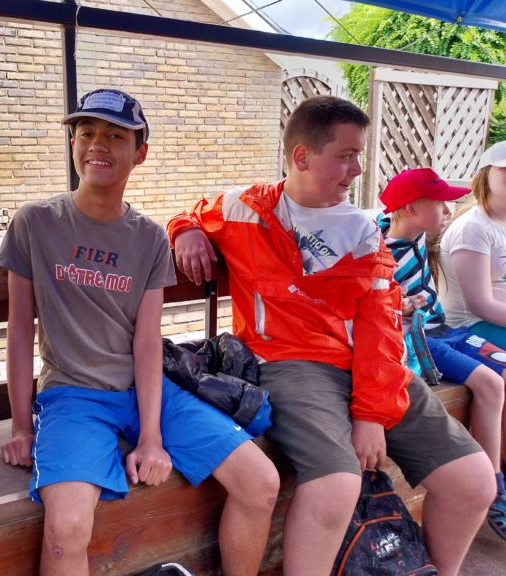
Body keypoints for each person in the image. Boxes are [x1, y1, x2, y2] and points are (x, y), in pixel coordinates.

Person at [168, 95, 495, 576]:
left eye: (358, 155)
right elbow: (195, 213)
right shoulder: (245, 208)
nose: (357, 170)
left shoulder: (362, 230)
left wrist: (370, 414)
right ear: (302, 157)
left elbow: (380, 326)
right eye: (346, 155)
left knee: (474, 480)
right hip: (286, 363)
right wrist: (185, 231)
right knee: (336, 484)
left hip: (367, 365)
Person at [0, 88, 279, 576]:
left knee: (261, 481)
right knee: (65, 531)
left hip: (144, 390)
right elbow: (19, 330)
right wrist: (21, 425)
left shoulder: (148, 237)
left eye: (115, 136)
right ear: (72, 144)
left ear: (139, 153)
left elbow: (147, 340)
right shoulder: (35, 223)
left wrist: (151, 437)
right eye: (86, 132)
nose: (97, 144)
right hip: (72, 396)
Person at [377, 167, 506, 540]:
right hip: (421, 340)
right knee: (490, 384)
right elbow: (371, 305)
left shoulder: (417, 234)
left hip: (447, 330)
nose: (449, 211)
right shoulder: (379, 251)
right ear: (412, 209)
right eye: (441, 204)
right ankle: (494, 489)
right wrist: (399, 305)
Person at [437, 141, 506, 539]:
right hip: (471, 328)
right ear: (485, 175)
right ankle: (494, 485)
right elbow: (481, 303)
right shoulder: (473, 227)